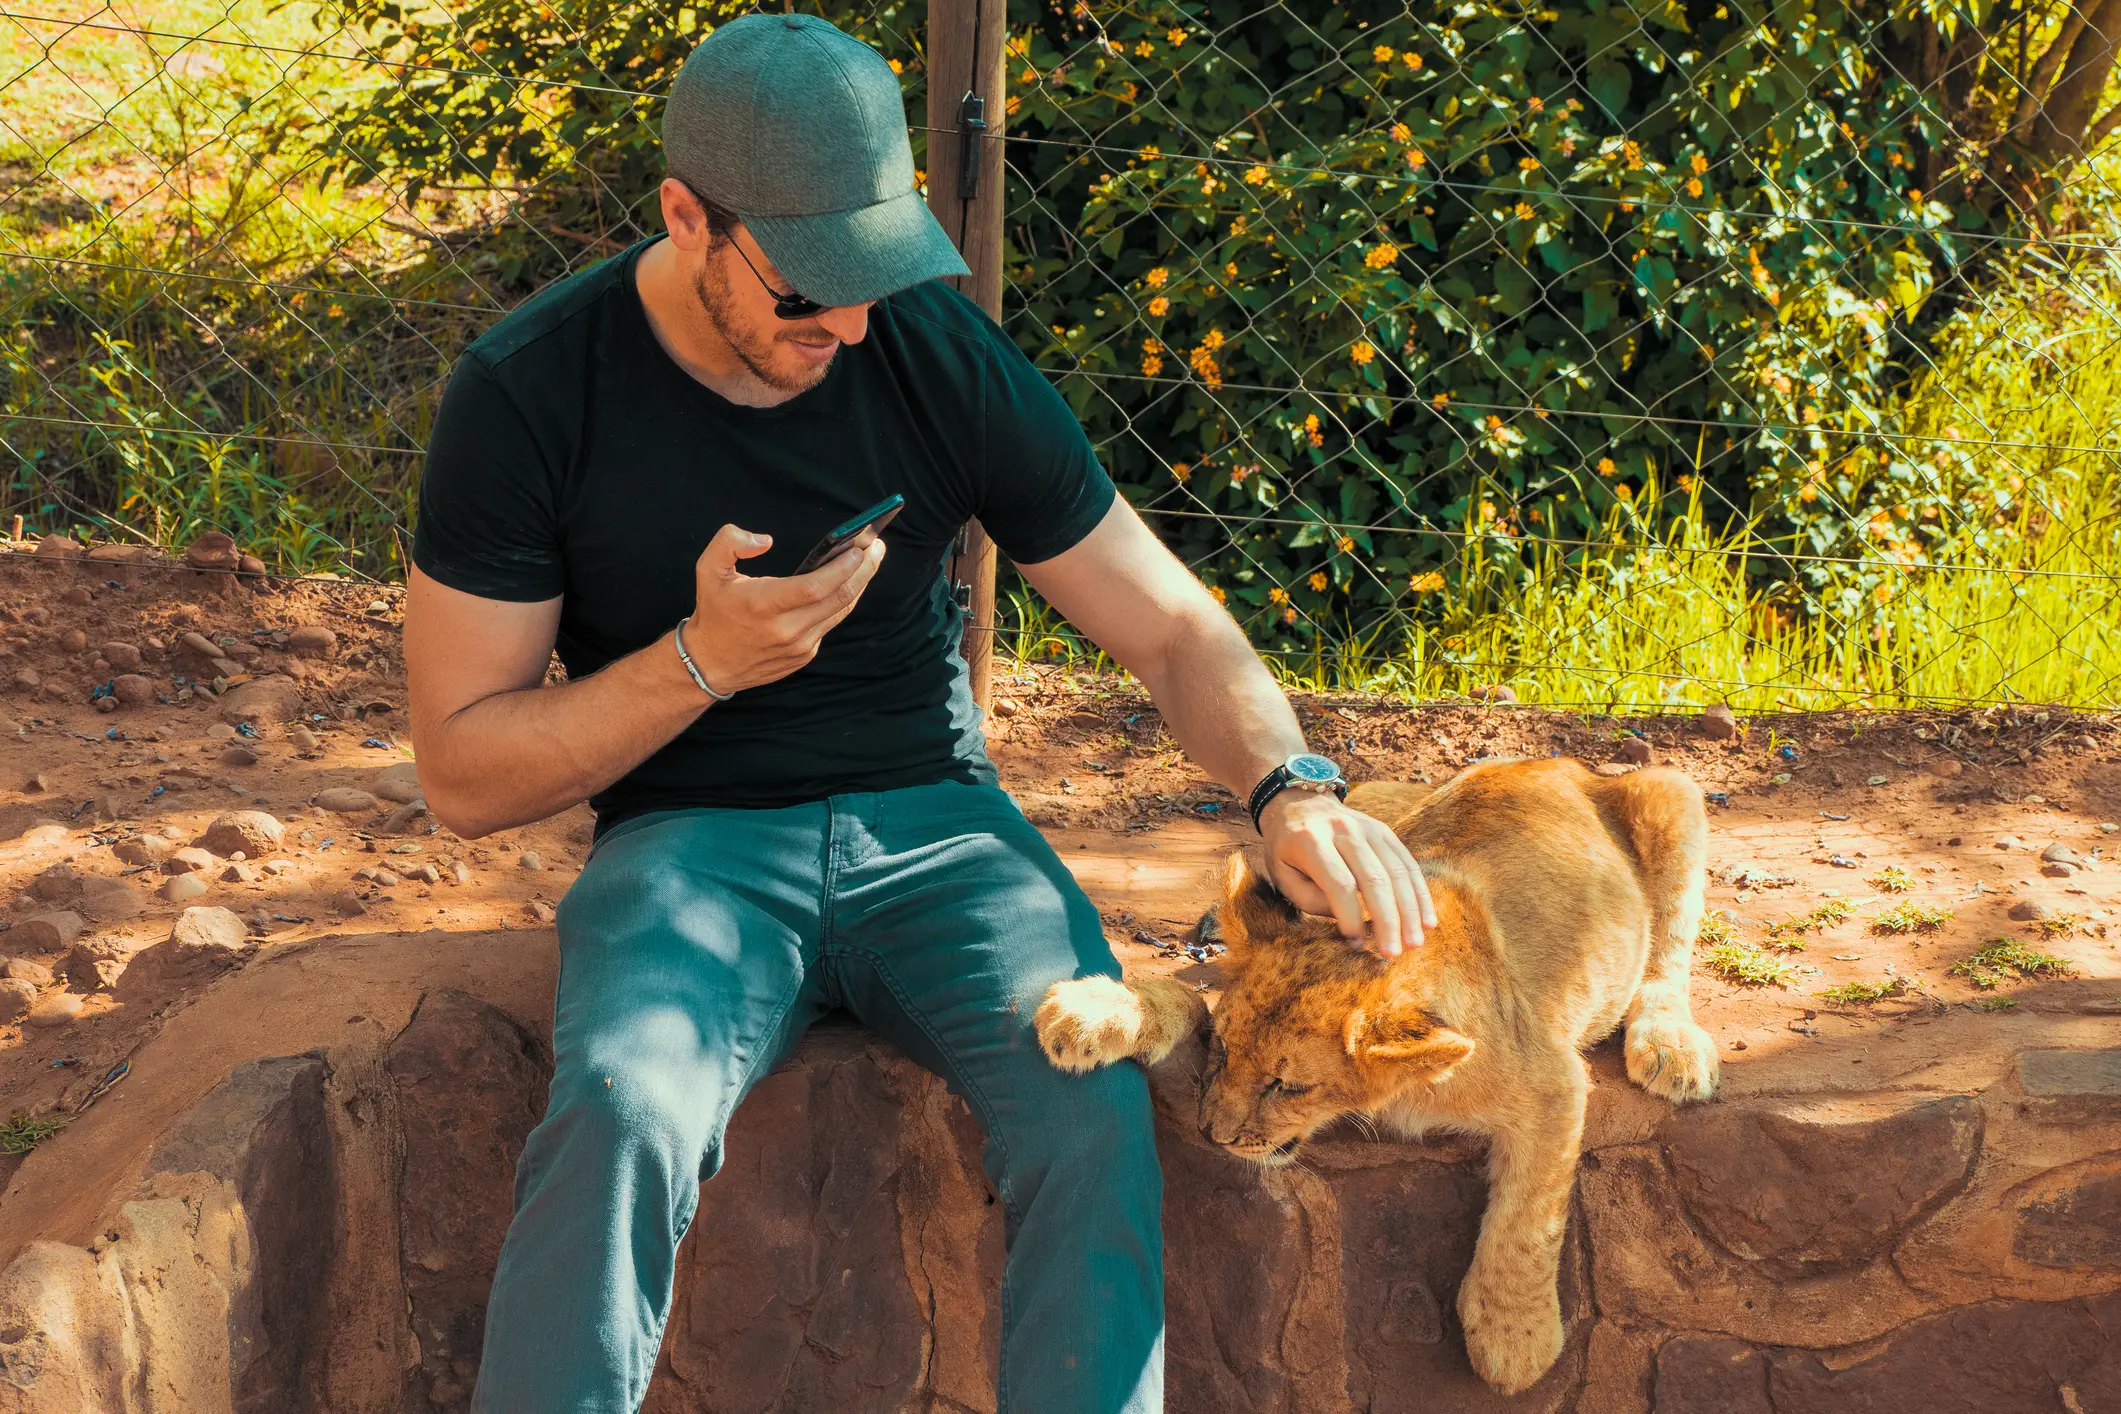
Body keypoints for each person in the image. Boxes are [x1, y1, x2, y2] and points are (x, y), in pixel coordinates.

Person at [403, 13, 1435, 1413]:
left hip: (940, 829)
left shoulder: (929, 349)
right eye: (807, 291)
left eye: (872, 279)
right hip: (689, 844)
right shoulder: (529, 390)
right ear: (687, 218)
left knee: (1091, 1099)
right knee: (623, 1108)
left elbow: (1170, 623)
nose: (847, 327)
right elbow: (462, 769)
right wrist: (695, 663)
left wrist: (1288, 785)